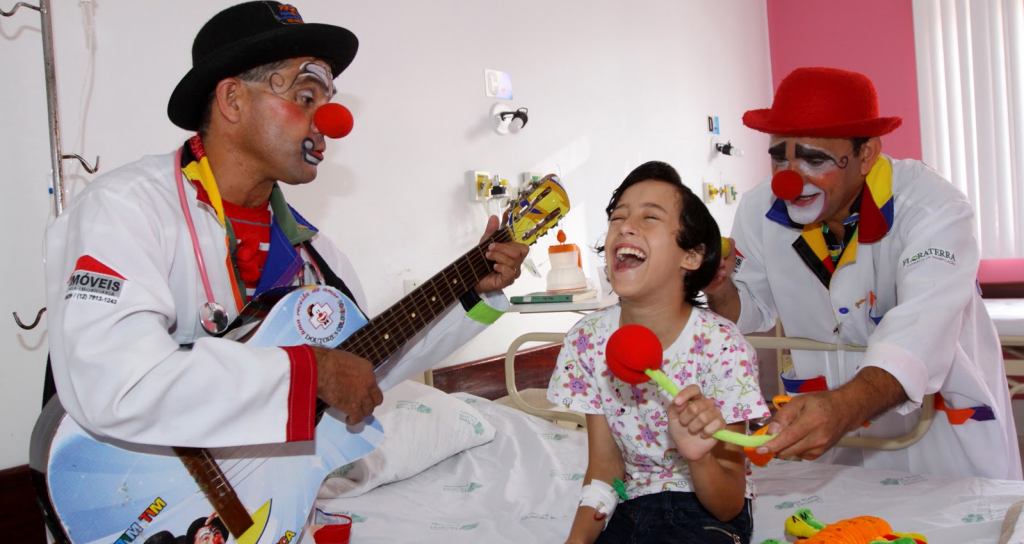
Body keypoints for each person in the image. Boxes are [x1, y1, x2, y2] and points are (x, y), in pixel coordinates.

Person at [43, 1, 527, 449]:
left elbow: (363, 366)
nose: (332, 121)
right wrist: (309, 371)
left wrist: (471, 291)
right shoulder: (125, 210)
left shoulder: (314, 252)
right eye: (306, 95)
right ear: (232, 100)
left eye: (328, 98)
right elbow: (118, 382)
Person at [704, 66, 1022, 480]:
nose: (787, 180)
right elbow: (751, 311)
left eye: (814, 159)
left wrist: (843, 407)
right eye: (780, 156)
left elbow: (920, 330)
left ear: (866, 154)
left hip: (939, 443)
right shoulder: (758, 208)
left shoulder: (932, 207)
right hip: (835, 450)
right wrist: (719, 286)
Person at [548, 161, 769, 544]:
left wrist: (698, 457)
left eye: (650, 217)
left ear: (692, 256)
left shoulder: (722, 346)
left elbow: (728, 503)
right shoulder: (587, 341)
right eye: (618, 217)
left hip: (704, 508)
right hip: (629, 506)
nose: (625, 226)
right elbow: (604, 468)